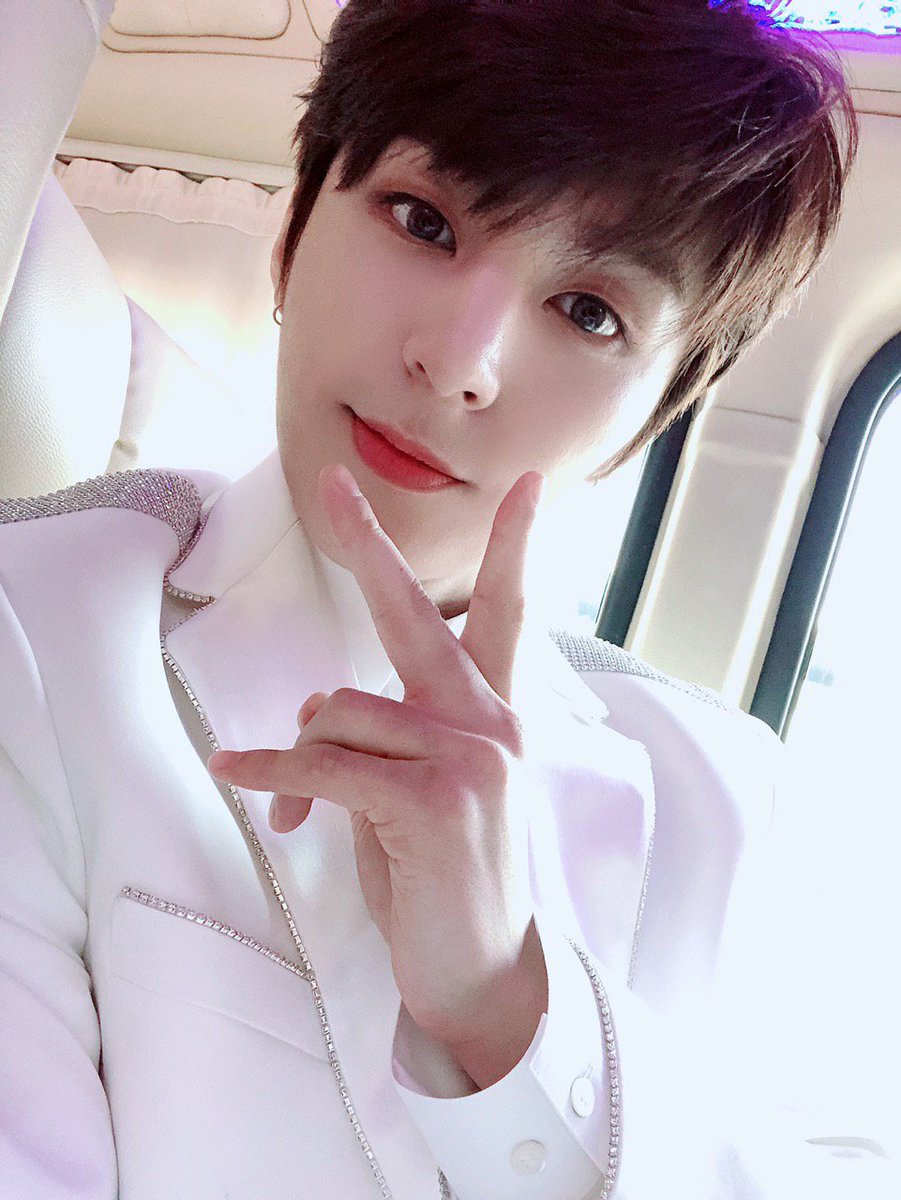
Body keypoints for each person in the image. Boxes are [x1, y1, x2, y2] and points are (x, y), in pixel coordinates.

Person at [1, 1, 895, 1197]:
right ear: (292, 228)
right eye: (421, 219)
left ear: (653, 417)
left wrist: (508, 1009)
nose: (459, 362)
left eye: (589, 312)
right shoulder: (39, 625)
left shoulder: (728, 794)